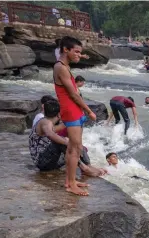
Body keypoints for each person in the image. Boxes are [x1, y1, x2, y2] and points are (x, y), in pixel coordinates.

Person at [53, 36, 97, 196]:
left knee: (75, 147)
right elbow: (73, 94)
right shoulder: (61, 68)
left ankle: (70, 180)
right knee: (74, 148)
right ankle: (70, 184)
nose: (79, 55)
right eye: (76, 52)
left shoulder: (64, 65)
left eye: (80, 52)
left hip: (74, 111)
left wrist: (81, 56)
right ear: (66, 50)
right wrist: (89, 110)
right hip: (70, 111)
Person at [29, 99, 104, 179]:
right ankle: (84, 168)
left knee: (76, 143)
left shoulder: (48, 122)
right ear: (59, 114)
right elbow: (50, 134)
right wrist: (66, 142)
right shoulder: (45, 122)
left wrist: (76, 120)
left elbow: (61, 126)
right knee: (61, 141)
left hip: (52, 161)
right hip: (42, 162)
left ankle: (88, 166)